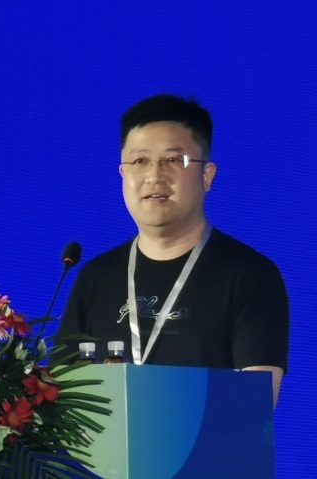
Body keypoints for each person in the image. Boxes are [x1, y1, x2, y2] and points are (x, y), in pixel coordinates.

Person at [56, 94, 289, 407]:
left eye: (174, 161)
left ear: (207, 176)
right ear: (123, 173)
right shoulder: (95, 277)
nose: (155, 176)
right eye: (140, 161)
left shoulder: (250, 275)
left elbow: (253, 408)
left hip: (207, 441)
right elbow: (61, 400)